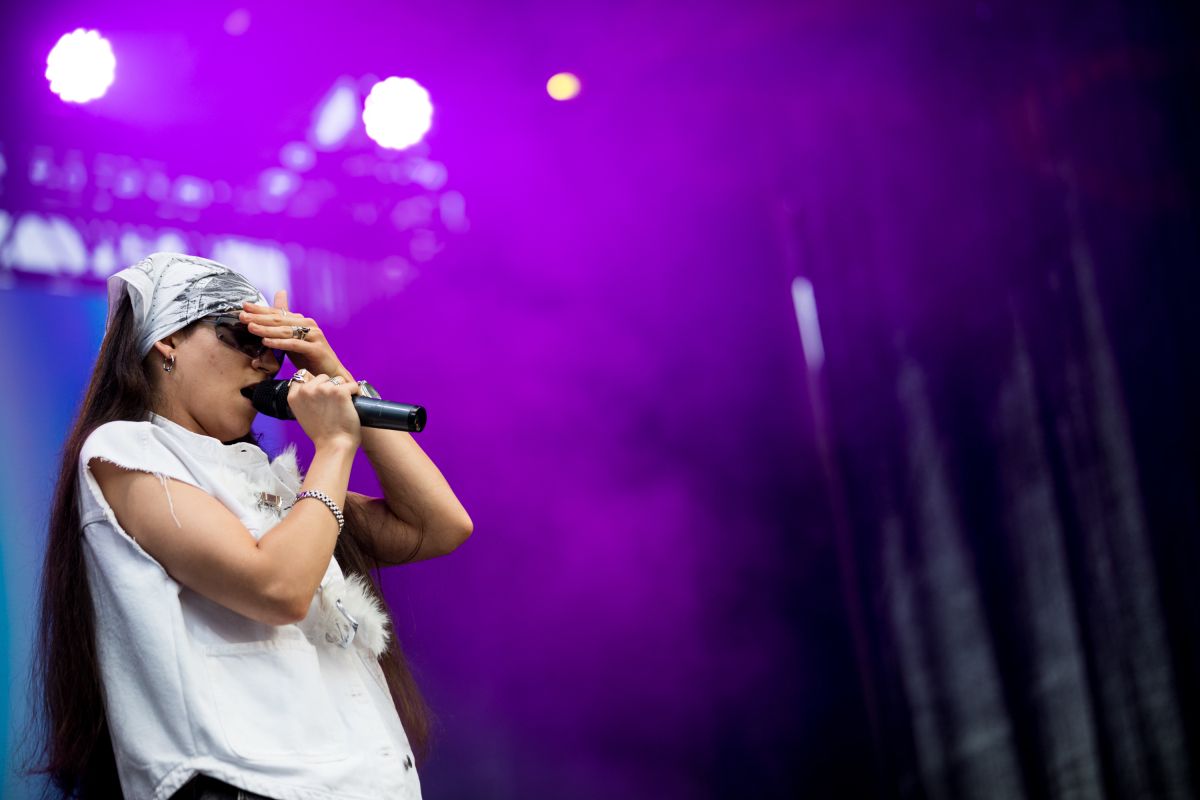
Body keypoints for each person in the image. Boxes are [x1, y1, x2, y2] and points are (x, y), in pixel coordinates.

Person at [32, 253, 473, 799]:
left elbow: (437, 525)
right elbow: (277, 587)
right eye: (245, 337)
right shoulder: (126, 451)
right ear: (166, 340)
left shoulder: (273, 482)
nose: (267, 362)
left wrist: (335, 373)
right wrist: (336, 445)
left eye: (275, 348)